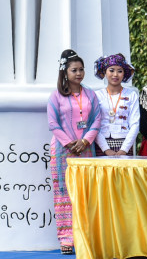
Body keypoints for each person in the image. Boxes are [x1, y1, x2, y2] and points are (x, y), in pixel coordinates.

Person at [47, 49, 101, 255]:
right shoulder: (56, 96)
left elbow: (97, 119)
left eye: (81, 70)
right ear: (65, 72)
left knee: (85, 193)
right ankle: (66, 238)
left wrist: (86, 141)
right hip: (63, 151)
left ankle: (84, 236)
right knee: (64, 193)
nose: (79, 73)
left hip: (86, 150)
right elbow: (53, 123)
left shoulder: (90, 94)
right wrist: (70, 143)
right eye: (74, 70)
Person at [94, 53, 139, 156]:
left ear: (124, 74)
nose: (115, 75)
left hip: (125, 146)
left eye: (119, 71)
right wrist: (106, 149)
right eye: (111, 70)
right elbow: (95, 124)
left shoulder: (131, 95)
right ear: (105, 72)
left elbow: (135, 124)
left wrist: (124, 149)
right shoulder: (97, 95)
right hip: (101, 146)